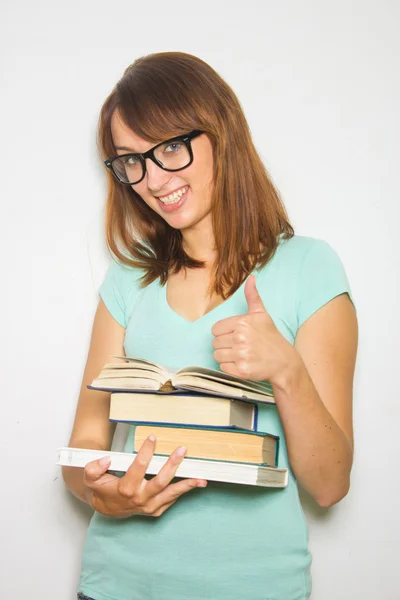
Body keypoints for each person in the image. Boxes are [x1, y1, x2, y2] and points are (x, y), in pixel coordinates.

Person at [62, 51, 358, 600]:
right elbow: (84, 445)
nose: (151, 179)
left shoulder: (310, 269)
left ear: (221, 132)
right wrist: (101, 493)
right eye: (131, 161)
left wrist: (287, 371)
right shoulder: (128, 281)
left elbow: (330, 485)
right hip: (116, 584)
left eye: (170, 148)